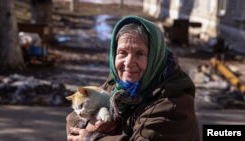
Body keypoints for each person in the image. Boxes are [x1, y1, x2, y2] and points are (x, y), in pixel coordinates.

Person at [66, 15, 200, 141]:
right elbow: (72, 118)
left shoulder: (172, 102)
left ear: (155, 57)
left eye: (140, 53)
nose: (128, 63)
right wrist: (94, 125)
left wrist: (90, 136)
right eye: (122, 53)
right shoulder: (117, 83)